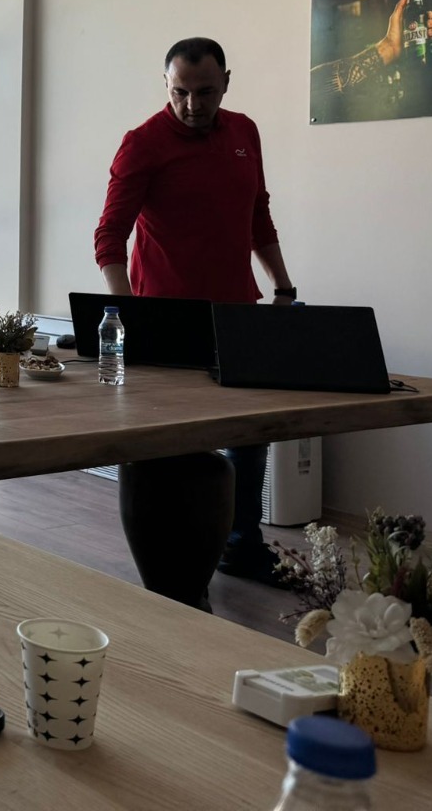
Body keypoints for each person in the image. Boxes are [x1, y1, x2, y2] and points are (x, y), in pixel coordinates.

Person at [94, 37, 297, 591]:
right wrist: (128, 312)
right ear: (166, 85)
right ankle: (174, 567)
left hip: (237, 309)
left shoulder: (245, 132)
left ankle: (241, 544)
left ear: (226, 82)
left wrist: (283, 286)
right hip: (168, 316)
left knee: (250, 432)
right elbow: (109, 237)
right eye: (179, 92)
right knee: (172, 441)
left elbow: (258, 217)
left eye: (204, 92)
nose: (191, 105)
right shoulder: (142, 143)